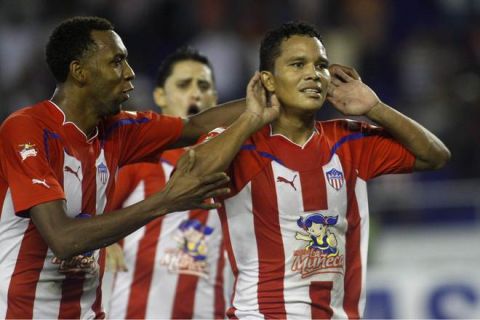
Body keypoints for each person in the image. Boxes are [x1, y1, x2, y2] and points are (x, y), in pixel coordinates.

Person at [0, 16, 278, 319]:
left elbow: (195, 125)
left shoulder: (118, 130)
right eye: (116, 62)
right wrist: (166, 201)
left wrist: (282, 98)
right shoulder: (27, 129)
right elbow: (64, 239)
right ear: (79, 72)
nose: (130, 73)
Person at [201, 22, 450, 319]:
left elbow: (435, 156)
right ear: (268, 80)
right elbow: (188, 177)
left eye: (321, 65)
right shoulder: (241, 145)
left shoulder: (349, 140)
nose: (313, 74)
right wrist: (249, 118)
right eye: (297, 64)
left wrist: (376, 107)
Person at [106, 47, 228, 319]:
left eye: (204, 85)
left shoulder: (234, 166)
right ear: (160, 95)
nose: (195, 93)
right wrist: (105, 244)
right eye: (184, 84)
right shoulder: (139, 160)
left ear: (216, 100)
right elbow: (87, 221)